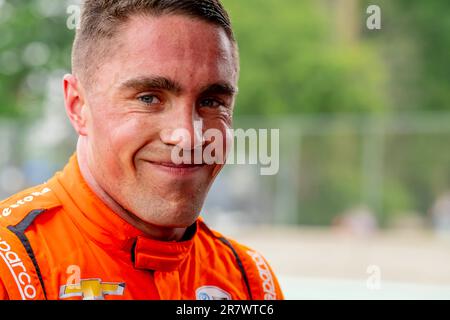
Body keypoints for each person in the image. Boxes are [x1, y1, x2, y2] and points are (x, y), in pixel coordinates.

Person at [0, 0, 284, 300]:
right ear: (78, 106)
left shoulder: (250, 282)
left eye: (212, 102)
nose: (187, 137)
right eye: (149, 98)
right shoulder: (11, 270)